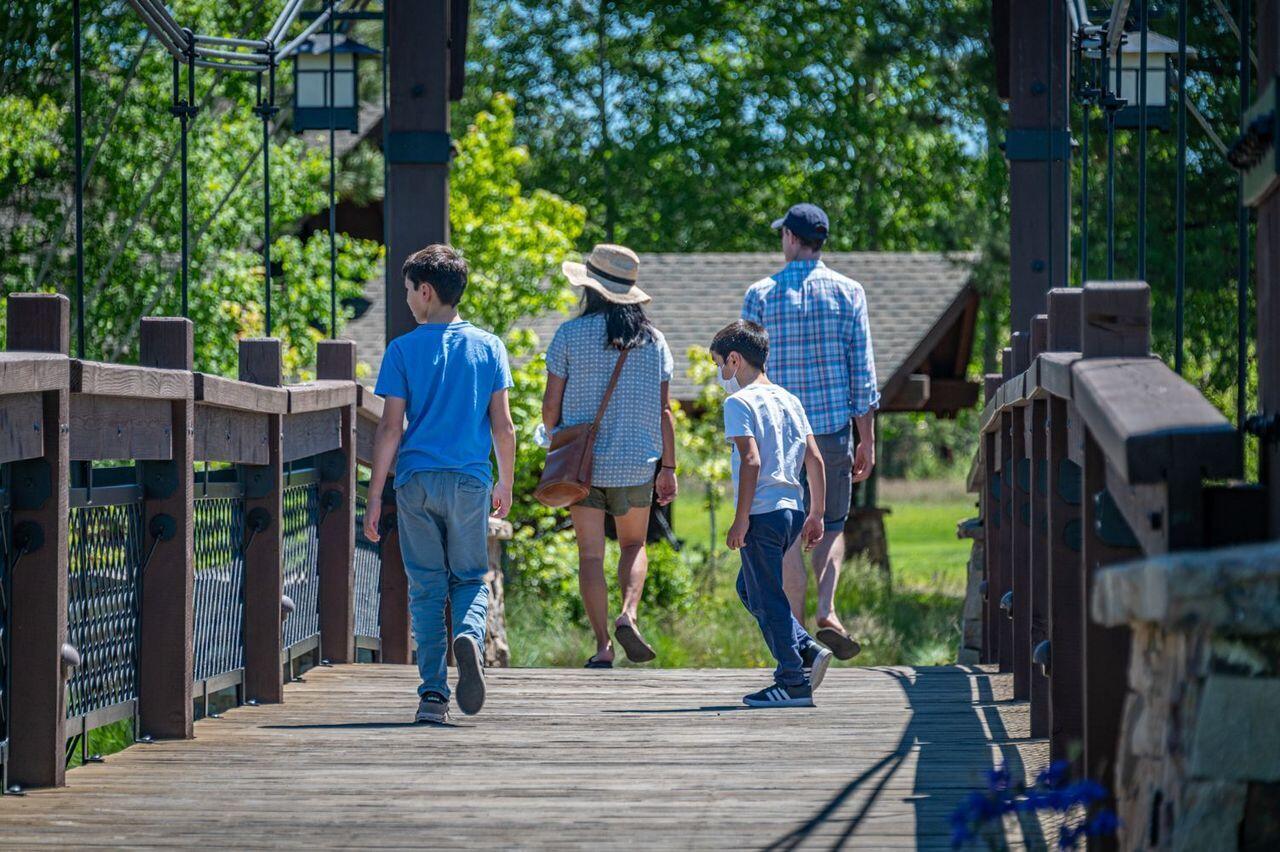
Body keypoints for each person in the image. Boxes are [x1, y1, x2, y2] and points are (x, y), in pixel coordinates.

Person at [364, 244, 516, 725]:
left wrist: (373, 496)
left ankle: (432, 695)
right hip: (470, 482)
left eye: (409, 290)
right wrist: (506, 482)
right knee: (470, 578)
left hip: (415, 484)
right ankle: (470, 635)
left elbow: (390, 429)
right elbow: (504, 426)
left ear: (425, 292)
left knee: (426, 589)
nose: (407, 299)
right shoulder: (489, 346)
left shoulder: (402, 350)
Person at [740, 202, 879, 660]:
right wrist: (867, 438)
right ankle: (828, 609)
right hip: (833, 430)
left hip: (777, 435)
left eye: (783, 235)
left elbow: (746, 370)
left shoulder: (760, 295)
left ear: (793, 239)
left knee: (785, 535)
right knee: (831, 524)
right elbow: (862, 372)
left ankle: (796, 641)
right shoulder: (849, 293)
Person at [542, 244, 678, 668]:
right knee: (634, 544)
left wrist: (555, 439)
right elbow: (664, 411)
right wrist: (669, 468)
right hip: (636, 463)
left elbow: (550, 409)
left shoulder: (568, 335)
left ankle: (603, 646)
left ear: (590, 289)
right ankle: (629, 614)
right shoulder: (655, 342)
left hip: (583, 466)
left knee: (590, 555)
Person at [711, 320, 834, 707]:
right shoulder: (790, 400)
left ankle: (792, 680)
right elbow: (814, 458)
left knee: (766, 594)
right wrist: (817, 514)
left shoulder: (738, 402)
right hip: (791, 511)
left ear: (735, 359)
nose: (721, 375)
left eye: (720, 365)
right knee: (750, 589)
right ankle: (805, 649)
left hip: (761, 513)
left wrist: (741, 518)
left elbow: (750, 460)